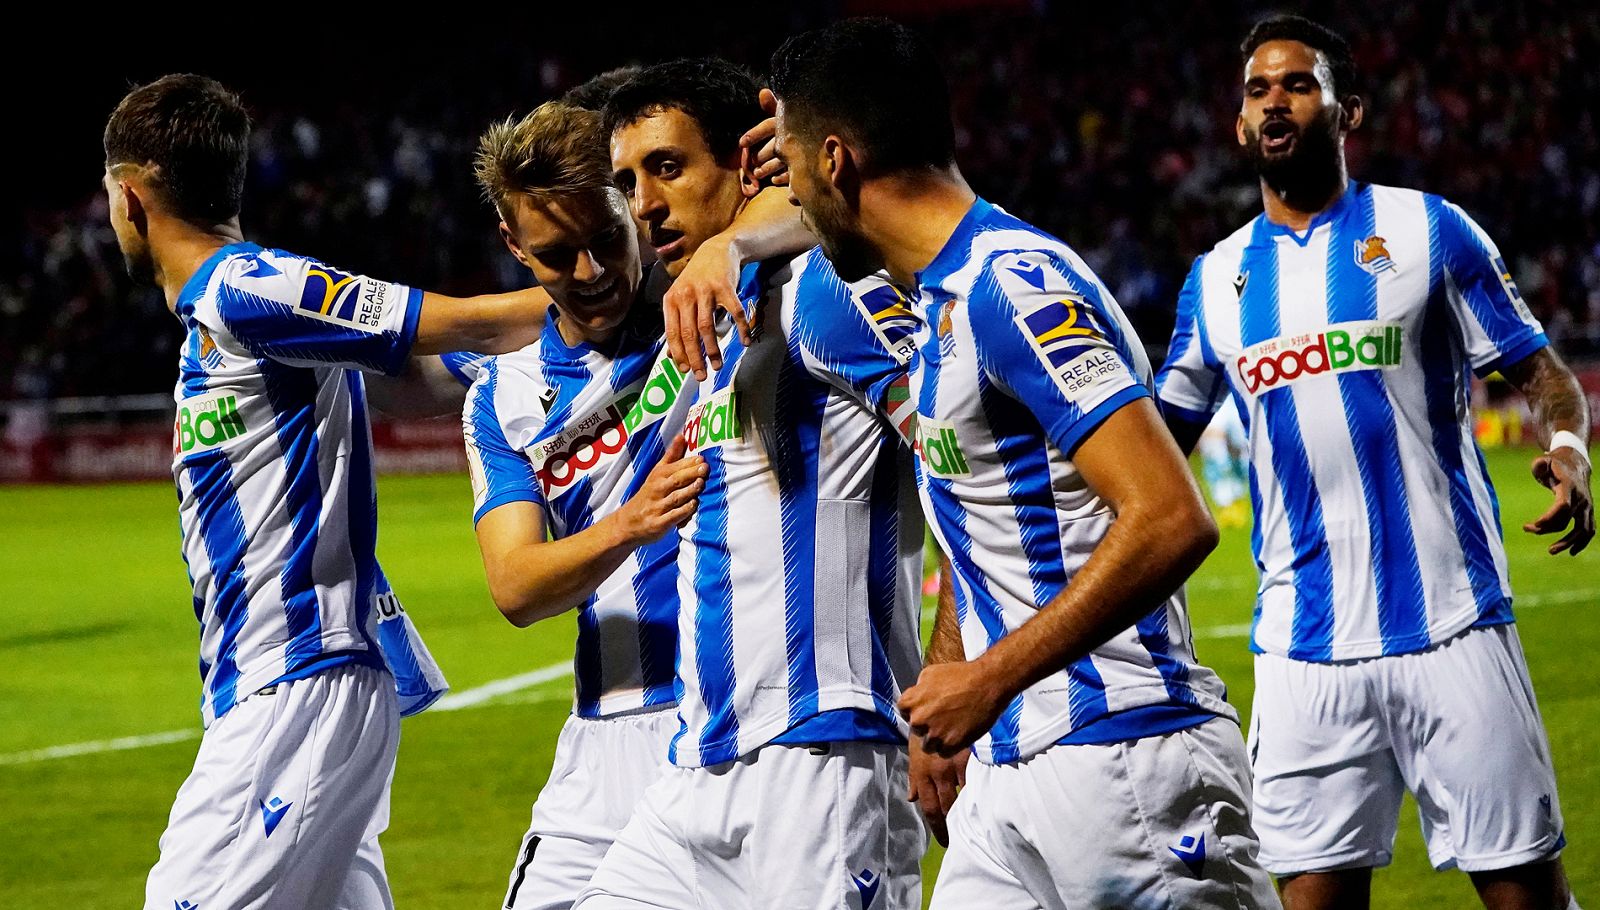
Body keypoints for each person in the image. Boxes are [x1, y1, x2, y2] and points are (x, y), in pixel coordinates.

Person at [770, 19, 1280, 909]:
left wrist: (990, 678)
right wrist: (946, 684)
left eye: (792, 169)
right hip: (1011, 778)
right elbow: (987, 520)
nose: (792, 205)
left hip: (1127, 759)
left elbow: (1170, 516)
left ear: (838, 160)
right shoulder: (934, 305)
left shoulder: (1015, 286)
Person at [1153, 15, 1592, 910]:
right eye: (1258, 90)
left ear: (1346, 111)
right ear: (1240, 125)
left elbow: (1542, 371)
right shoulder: (1215, 281)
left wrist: (1568, 447)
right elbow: (1154, 443)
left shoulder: (1430, 231)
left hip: (1453, 626)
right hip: (1302, 657)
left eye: (1299, 84)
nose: (1275, 101)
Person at [104, 74, 545, 910]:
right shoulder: (233, 317)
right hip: (286, 688)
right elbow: (423, 377)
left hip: (295, 682)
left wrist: (627, 299)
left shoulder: (248, 288)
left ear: (130, 198)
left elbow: (467, 322)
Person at [572, 57, 925, 910]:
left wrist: (956, 665)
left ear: (750, 160)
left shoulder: (830, 290)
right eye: (626, 181)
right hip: (698, 768)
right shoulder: (702, 332)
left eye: (668, 166)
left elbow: (960, 448)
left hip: (824, 757)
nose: (645, 203)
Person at [464, 98, 811, 910]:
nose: (590, 274)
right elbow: (515, 586)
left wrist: (727, 238)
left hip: (729, 726)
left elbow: (815, 204)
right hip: (598, 750)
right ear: (513, 246)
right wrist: (631, 519)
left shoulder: (713, 296)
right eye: (555, 255)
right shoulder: (506, 397)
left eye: (604, 240)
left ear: (634, 209)